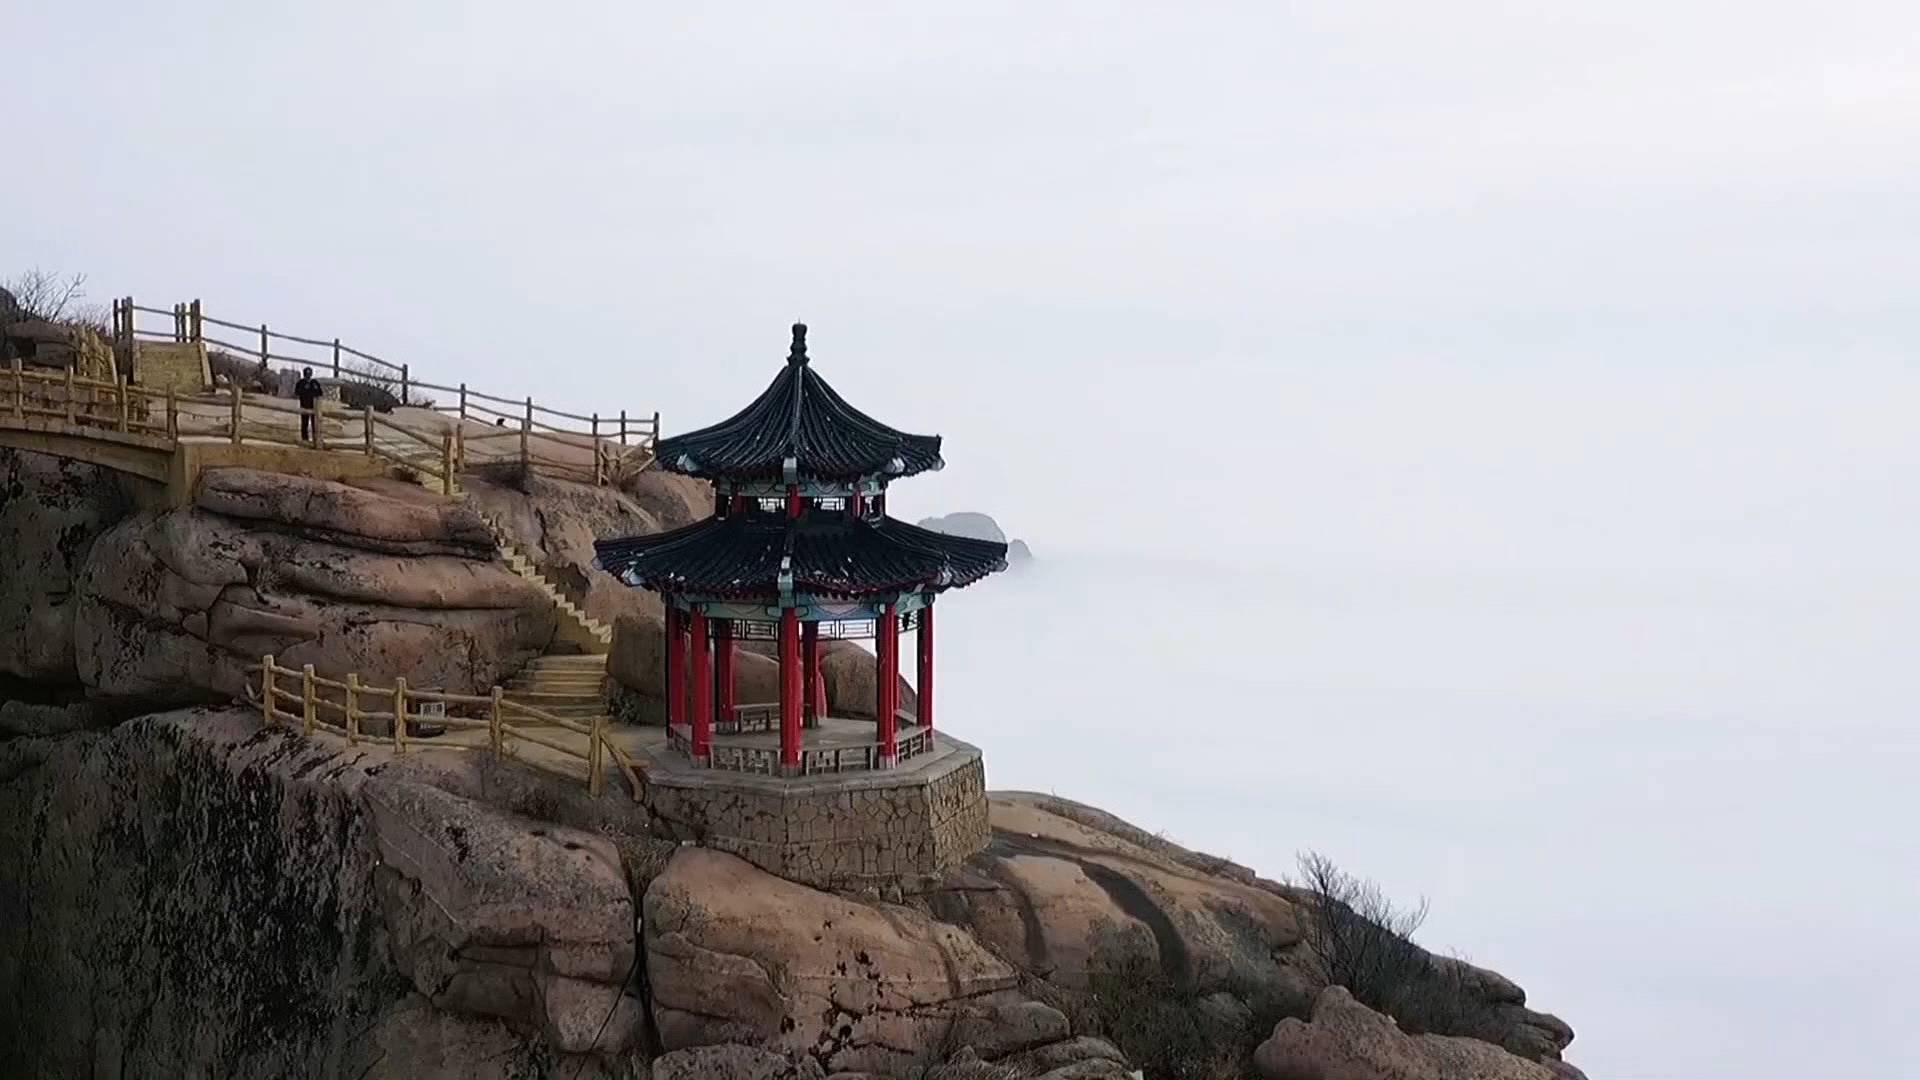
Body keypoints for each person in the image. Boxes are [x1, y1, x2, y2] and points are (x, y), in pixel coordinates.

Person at [293, 367, 324, 443]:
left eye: (309, 373)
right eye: (307, 373)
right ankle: (304, 439)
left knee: (315, 423)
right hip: (304, 405)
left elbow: (320, 393)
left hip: (314, 407)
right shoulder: (301, 383)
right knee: (304, 423)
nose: (308, 374)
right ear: (304, 374)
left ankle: (315, 438)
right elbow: (296, 392)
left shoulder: (315, 382)